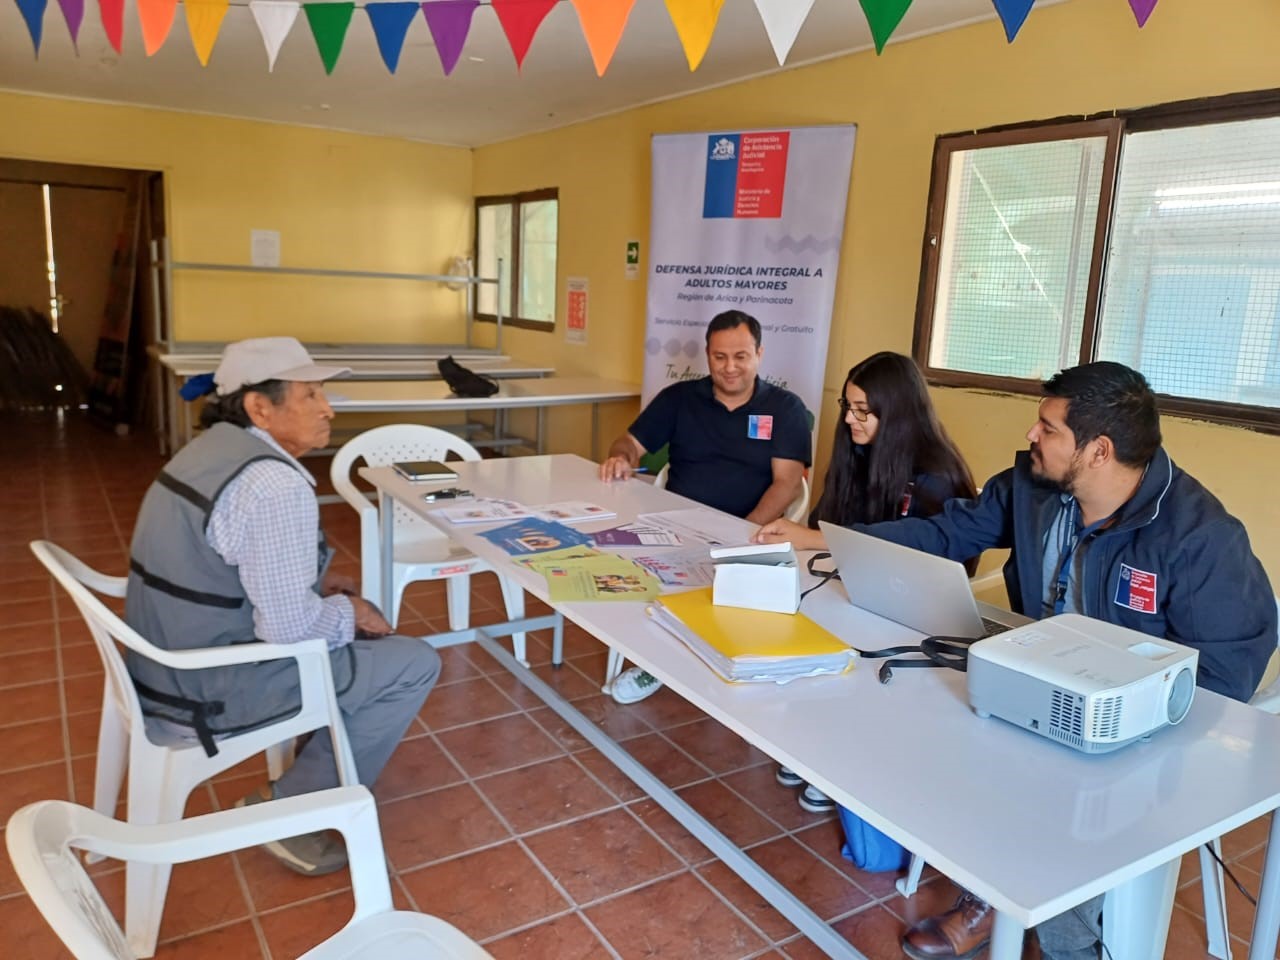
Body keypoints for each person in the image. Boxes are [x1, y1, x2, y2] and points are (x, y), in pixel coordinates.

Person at [817, 362, 1275, 960]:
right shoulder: (1032, 486)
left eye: (1048, 427)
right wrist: (829, 541)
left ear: (1098, 450)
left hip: (1132, 733)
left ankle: (1062, 939)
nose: (1032, 436)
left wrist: (1131, 728)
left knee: (1079, 800)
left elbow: (1227, 672)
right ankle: (995, 887)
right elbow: (949, 535)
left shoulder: (1199, 537)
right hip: (1033, 686)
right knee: (928, 720)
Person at [125, 337, 442, 877]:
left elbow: (231, 559)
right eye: (311, 395)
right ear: (259, 408)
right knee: (412, 663)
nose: (329, 409)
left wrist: (318, 586)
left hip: (159, 660)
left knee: (341, 629)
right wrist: (353, 613)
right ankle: (290, 813)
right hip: (204, 688)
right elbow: (289, 627)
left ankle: (313, 771)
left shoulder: (209, 450)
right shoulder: (272, 484)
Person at [754, 352, 976, 813]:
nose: (851, 420)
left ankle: (841, 764)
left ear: (895, 414)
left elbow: (927, 555)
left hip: (916, 609)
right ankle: (814, 743)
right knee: (799, 615)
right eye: (847, 406)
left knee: (844, 636)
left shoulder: (938, 474)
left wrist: (815, 538)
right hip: (859, 590)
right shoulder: (856, 451)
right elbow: (828, 524)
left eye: (863, 411)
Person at [600, 310, 812, 704]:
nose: (730, 368)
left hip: (750, 533)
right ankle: (653, 661)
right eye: (720, 357)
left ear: (759, 354)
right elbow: (629, 442)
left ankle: (689, 660)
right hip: (673, 526)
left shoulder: (785, 408)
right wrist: (621, 458)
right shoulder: (679, 399)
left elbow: (787, 483)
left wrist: (742, 530)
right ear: (707, 355)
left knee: (718, 589)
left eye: (741, 356)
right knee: (617, 568)